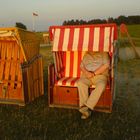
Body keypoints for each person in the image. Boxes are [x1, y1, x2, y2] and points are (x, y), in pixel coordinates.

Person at [77, 51, 110, 119]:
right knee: (80, 83)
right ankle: (86, 111)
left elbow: (106, 65)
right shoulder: (87, 53)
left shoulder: (104, 53)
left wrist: (94, 73)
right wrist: (86, 73)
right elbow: (81, 66)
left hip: (100, 76)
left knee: (101, 85)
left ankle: (86, 107)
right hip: (86, 76)